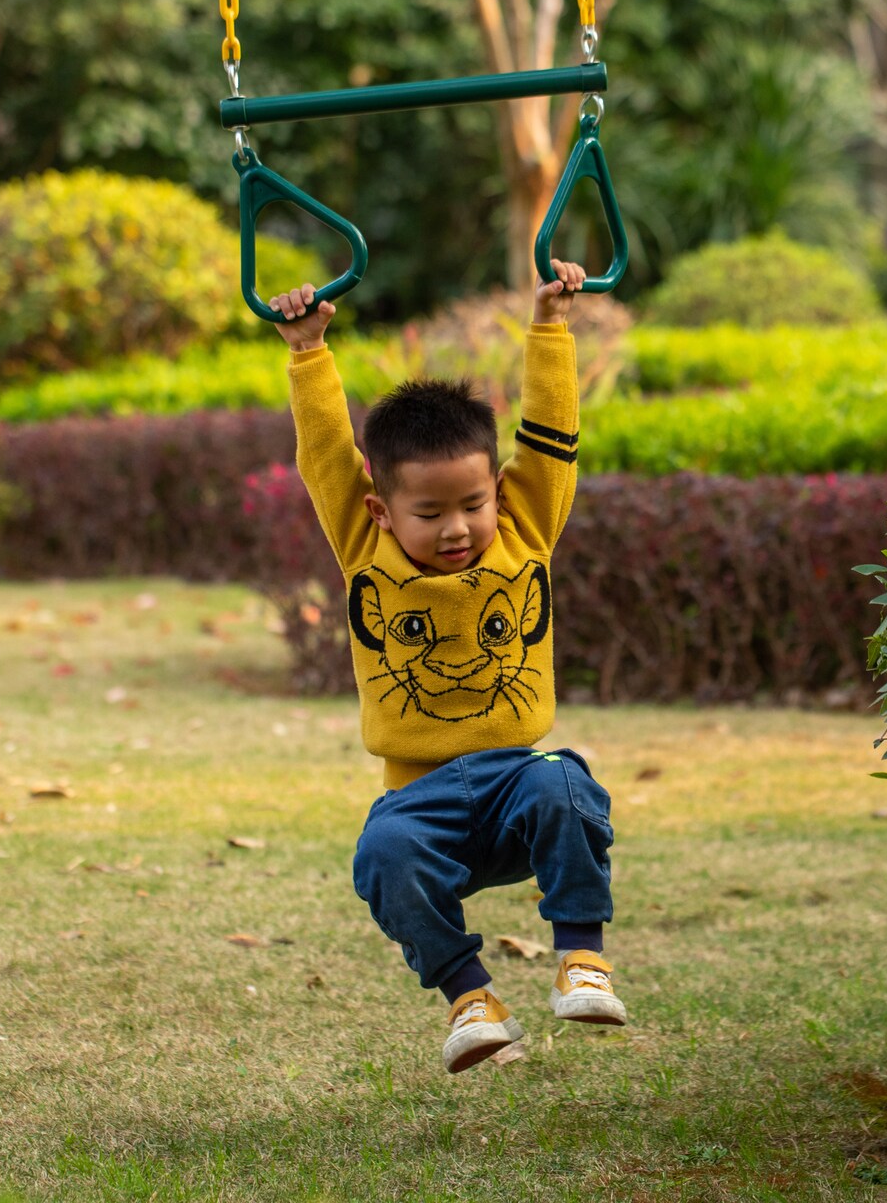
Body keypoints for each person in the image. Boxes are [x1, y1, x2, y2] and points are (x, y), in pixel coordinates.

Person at [267, 260, 625, 1073]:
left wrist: (551, 329)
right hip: (419, 801)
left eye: (472, 504)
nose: (458, 527)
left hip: (515, 786)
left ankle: (581, 958)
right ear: (381, 511)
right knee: (380, 854)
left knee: (566, 781)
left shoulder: (525, 528)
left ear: (497, 492)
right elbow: (328, 456)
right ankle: (470, 999)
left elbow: (551, 437)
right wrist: (307, 352)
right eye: (428, 513)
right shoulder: (365, 552)